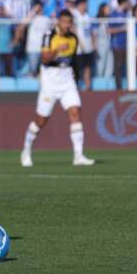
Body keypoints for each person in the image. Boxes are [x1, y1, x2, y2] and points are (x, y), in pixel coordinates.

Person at [20, 10, 96, 168]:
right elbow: (44, 59)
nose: (67, 25)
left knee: (75, 112)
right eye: (64, 22)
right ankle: (26, 150)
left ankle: (78, 156)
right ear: (58, 22)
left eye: (70, 22)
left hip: (67, 81)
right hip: (50, 83)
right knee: (41, 120)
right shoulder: (49, 36)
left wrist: (77, 79)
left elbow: (73, 61)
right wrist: (57, 50)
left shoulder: (74, 38)